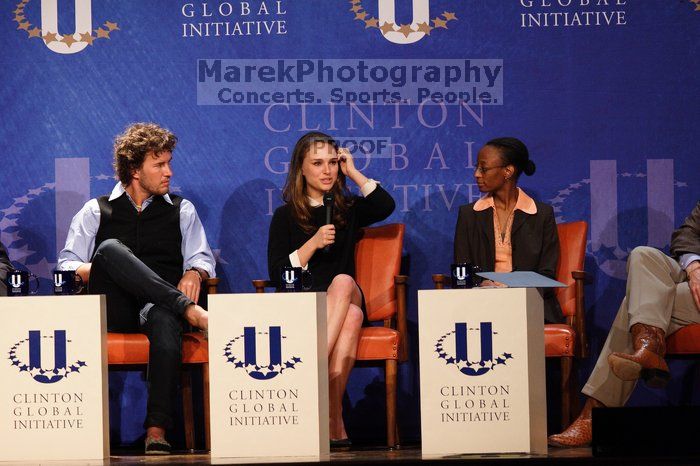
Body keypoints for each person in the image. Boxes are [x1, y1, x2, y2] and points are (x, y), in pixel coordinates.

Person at [57, 123, 216, 455]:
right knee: (111, 249)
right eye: (159, 165)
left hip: (157, 308)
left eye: (169, 162)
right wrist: (104, 266)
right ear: (133, 169)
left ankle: (156, 429)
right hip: (114, 308)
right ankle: (189, 310)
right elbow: (67, 265)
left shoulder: (180, 209)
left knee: (166, 319)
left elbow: (202, 257)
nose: (168, 172)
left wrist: (196, 272)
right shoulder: (96, 210)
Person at [267, 132, 395, 446]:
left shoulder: (347, 207)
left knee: (342, 282)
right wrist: (311, 244)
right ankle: (332, 418)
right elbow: (277, 273)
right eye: (318, 163)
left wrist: (353, 171)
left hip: (343, 290)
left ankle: (310, 367)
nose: (328, 170)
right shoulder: (285, 216)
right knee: (351, 317)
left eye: (333, 162)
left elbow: (384, 204)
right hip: (307, 306)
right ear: (301, 169)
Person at [548, 201, 700, 447]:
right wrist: (694, 267)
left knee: (635, 303)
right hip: (694, 278)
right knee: (643, 255)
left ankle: (595, 413)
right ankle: (648, 346)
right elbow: (686, 234)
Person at [453, 137, 563, 323]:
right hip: (481, 307)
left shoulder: (541, 214)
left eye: (483, 168)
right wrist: (481, 284)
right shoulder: (469, 214)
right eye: (477, 168)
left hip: (530, 307)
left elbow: (547, 273)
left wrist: (512, 293)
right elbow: (461, 274)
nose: (477, 174)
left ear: (508, 171)